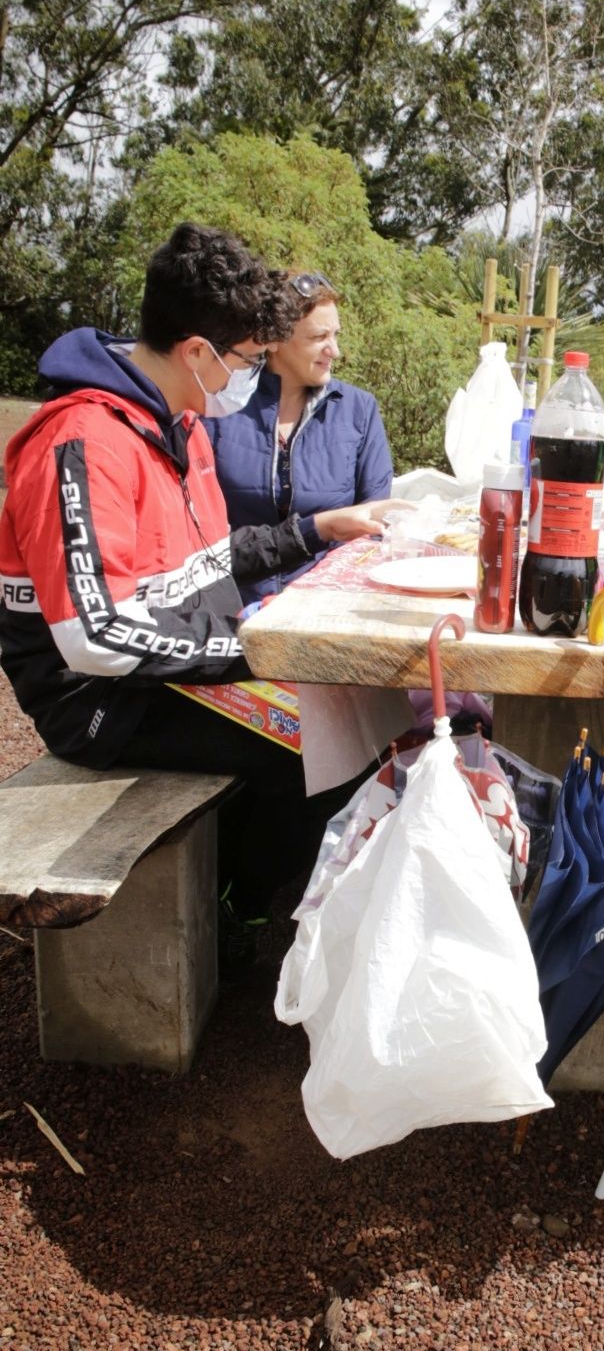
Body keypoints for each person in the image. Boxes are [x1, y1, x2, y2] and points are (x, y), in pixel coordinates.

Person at [0, 222, 401, 951]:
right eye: (248, 360)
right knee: (323, 744)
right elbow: (94, 639)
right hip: (105, 701)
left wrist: (315, 531)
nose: (248, 378)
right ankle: (236, 909)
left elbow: (210, 559)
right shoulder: (82, 445)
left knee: (358, 714)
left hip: (173, 667)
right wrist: (254, 650)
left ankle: (251, 882)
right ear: (196, 351)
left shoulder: (176, 423)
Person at [207, 271, 393, 598]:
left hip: (325, 607)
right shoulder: (219, 409)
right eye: (319, 337)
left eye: (336, 335)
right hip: (230, 607)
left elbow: (374, 527)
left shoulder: (358, 411)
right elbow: (198, 534)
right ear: (274, 340)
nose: (333, 350)